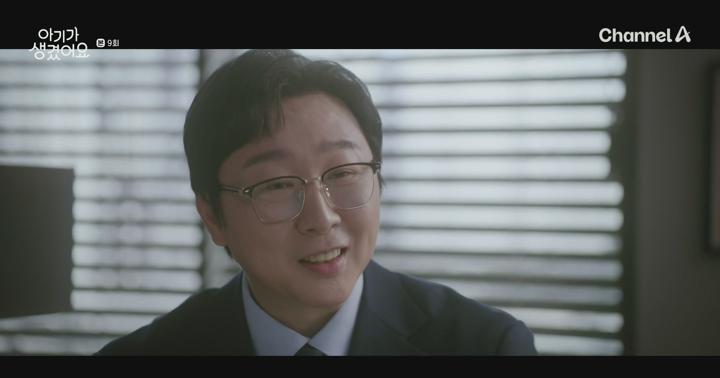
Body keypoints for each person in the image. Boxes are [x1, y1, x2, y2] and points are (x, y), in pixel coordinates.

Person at [96, 49, 537, 356]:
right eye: (275, 185)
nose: (321, 219)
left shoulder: (486, 346)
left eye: (343, 173)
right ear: (212, 216)